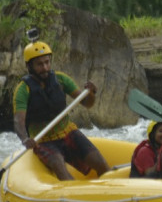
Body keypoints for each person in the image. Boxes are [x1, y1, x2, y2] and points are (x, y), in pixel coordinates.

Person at [13, 39, 110, 180]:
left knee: (101, 164)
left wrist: (91, 93)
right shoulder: (23, 89)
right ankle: (74, 197)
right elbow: (18, 121)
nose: (45, 67)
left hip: (68, 132)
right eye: (40, 64)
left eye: (47, 62)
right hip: (44, 140)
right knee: (61, 170)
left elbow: (88, 104)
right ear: (29, 66)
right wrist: (25, 139)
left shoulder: (61, 79)